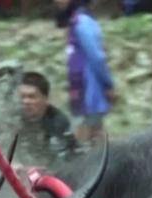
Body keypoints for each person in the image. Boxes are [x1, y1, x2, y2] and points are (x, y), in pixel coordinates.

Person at [55, 0, 116, 145]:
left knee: (85, 135)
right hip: (81, 87)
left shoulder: (83, 23)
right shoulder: (75, 22)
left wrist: (108, 84)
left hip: (89, 90)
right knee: (95, 133)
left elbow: (97, 57)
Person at [17, 71, 80, 167]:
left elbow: (65, 160)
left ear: (45, 99)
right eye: (22, 97)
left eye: (32, 97)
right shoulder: (14, 118)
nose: (26, 102)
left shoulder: (58, 122)